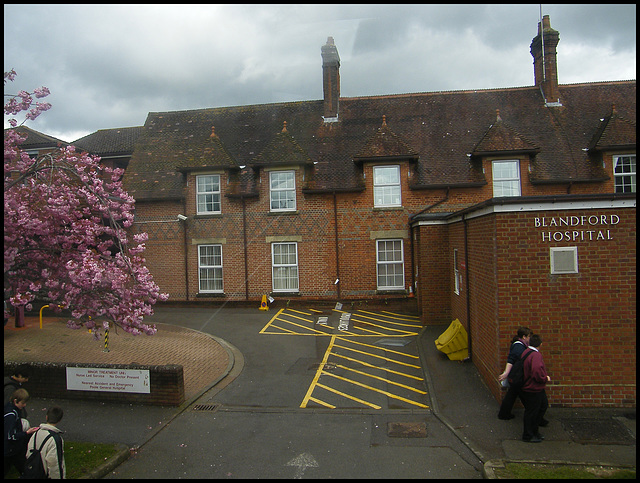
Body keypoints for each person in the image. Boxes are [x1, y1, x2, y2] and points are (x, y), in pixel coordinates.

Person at [519, 333, 551, 443]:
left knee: (541, 406)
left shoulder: (526, 352)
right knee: (533, 412)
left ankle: (534, 431)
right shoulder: (536, 356)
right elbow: (537, 371)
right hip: (533, 388)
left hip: (530, 387)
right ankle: (529, 434)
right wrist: (544, 378)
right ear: (540, 344)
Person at [497, 327, 531, 420]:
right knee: (523, 397)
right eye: (528, 336)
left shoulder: (518, 345)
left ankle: (504, 413)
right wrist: (506, 373)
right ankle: (534, 415)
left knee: (512, 394)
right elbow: (511, 360)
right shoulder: (519, 347)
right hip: (517, 376)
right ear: (524, 337)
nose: (529, 338)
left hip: (515, 376)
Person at [4, 388, 39, 476]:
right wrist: (26, 433)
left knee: (23, 467)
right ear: (16, 401)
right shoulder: (11, 416)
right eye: (23, 403)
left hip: (13, 448)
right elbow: (10, 436)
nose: (24, 405)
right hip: (10, 449)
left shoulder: (11, 409)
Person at [25, 406, 65, 479]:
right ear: (59, 420)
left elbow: (28, 453)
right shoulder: (55, 439)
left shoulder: (36, 433)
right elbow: (54, 464)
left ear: (46, 417)